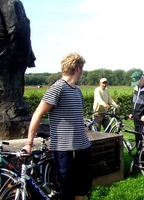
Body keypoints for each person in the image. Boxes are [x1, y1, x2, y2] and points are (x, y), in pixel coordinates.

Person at [22, 52, 92, 200]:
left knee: (81, 190)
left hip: (82, 148)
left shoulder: (77, 91)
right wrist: (29, 143)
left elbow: (78, 118)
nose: (83, 71)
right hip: (64, 150)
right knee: (67, 192)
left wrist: (86, 138)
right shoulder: (57, 88)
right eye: (82, 68)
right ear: (78, 68)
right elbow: (37, 114)